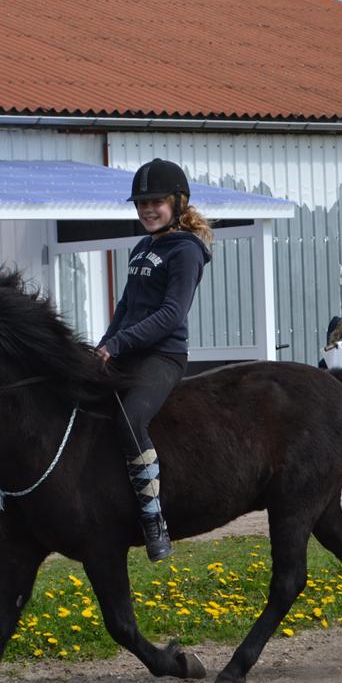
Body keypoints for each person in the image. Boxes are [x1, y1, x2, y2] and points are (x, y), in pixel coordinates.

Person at [96, 158, 213, 561]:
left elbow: (170, 314)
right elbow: (126, 307)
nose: (147, 209)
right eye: (141, 203)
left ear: (178, 203)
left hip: (162, 356)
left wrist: (120, 343)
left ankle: (153, 519)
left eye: (156, 201)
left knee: (131, 419)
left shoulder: (186, 251)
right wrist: (103, 346)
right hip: (128, 350)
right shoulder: (143, 246)